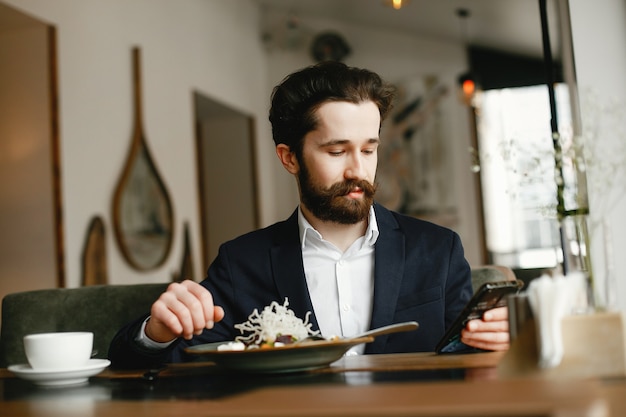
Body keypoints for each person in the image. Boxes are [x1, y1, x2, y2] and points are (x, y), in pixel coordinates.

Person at [108, 61, 509, 368]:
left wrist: (500, 341)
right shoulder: (242, 263)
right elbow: (172, 363)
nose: (358, 170)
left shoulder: (437, 249)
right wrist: (156, 333)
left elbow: (469, 355)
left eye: (369, 149)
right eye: (337, 151)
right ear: (289, 158)